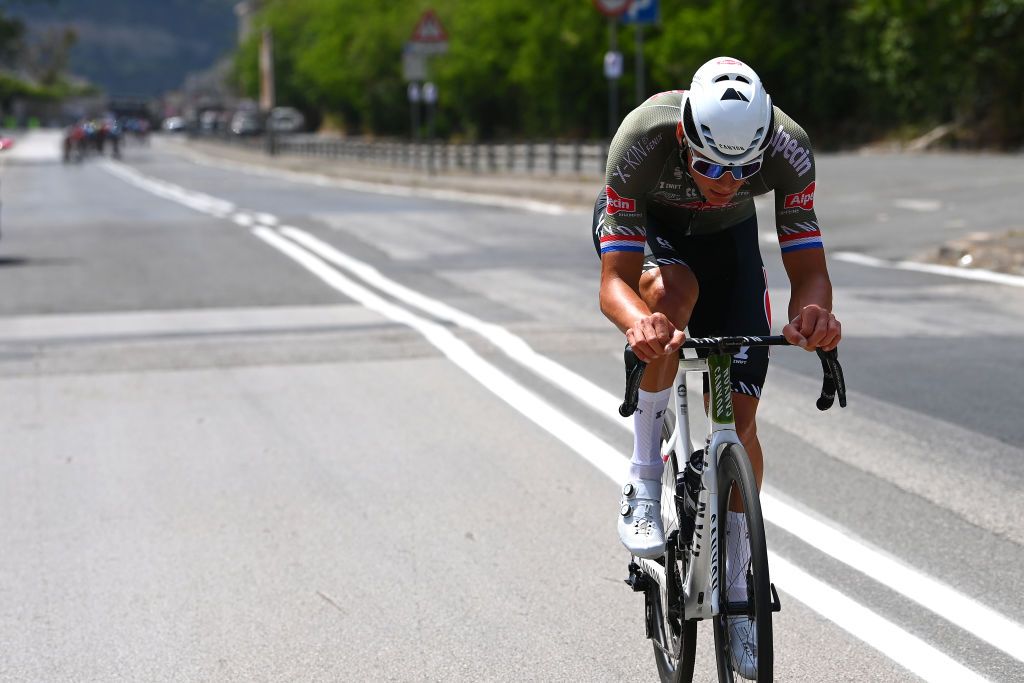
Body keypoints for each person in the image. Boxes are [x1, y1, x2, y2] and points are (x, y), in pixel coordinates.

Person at [592, 56, 841, 678]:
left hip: (727, 242)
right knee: (671, 299)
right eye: (708, 168)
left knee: (743, 415)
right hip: (651, 232)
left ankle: (739, 575)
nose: (725, 183)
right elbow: (614, 282)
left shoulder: (788, 148)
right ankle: (645, 475)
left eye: (741, 172)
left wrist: (814, 316)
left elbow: (807, 267)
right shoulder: (642, 139)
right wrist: (637, 324)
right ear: (684, 137)